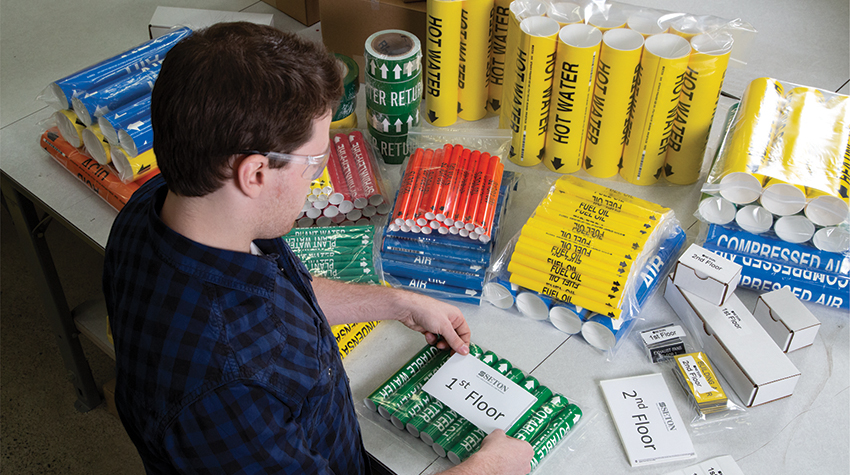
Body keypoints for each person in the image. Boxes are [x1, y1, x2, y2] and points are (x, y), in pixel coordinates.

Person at [103, 22, 533, 474]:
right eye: (314, 163)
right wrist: (491, 468)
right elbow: (244, 344)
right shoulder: (228, 386)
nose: (317, 180)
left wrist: (395, 302)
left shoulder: (165, 208)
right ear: (255, 174)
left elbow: (279, 297)